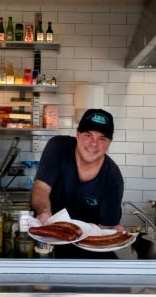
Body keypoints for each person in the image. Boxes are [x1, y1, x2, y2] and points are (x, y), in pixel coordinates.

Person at [30, 108, 125, 258]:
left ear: (109, 143)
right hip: (49, 242)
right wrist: (43, 212)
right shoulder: (58, 148)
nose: (94, 143)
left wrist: (111, 232)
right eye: (88, 135)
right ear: (78, 134)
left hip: (88, 250)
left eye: (102, 139)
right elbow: (41, 188)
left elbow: (105, 227)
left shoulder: (113, 178)